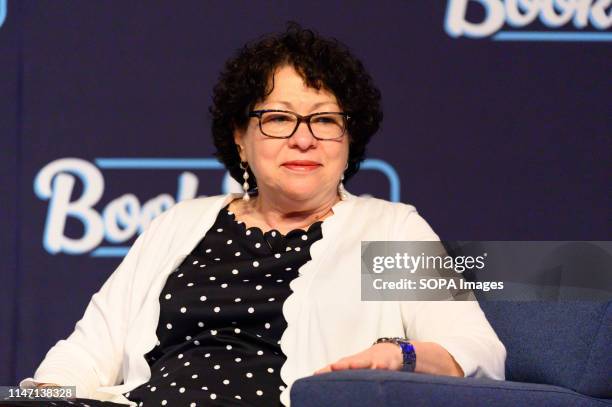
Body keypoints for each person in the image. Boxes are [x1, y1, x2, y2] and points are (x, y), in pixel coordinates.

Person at [20, 23, 506, 407]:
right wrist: (41, 396)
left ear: (349, 137)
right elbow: (84, 356)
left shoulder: (388, 231)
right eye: (277, 118)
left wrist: (398, 356)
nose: (303, 137)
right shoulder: (179, 224)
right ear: (239, 136)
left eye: (324, 119)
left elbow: (477, 352)